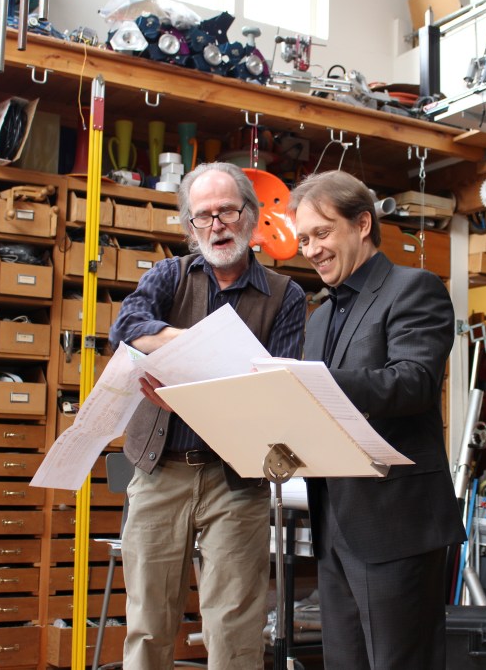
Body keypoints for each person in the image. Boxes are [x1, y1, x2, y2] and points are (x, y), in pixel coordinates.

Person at [109, 162, 307, 670]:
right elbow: (128, 324)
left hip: (235, 480)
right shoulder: (167, 276)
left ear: (252, 215)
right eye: (202, 216)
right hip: (159, 472)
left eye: (227, 211)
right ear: (189, 227)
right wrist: (194, 349)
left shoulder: (286, 297)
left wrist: (190, 385)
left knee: (234, 629)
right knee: (149, 624)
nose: (216, 224)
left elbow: (274, 390)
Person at [287, 170, 466, 669]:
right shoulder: (319, 314)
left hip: (396, 522)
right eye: (303, 239)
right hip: (334, 522)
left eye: (321, 233)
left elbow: (413, 383)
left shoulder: (414, 288)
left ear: (362, 223)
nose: (312, 249)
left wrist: (313, 382)